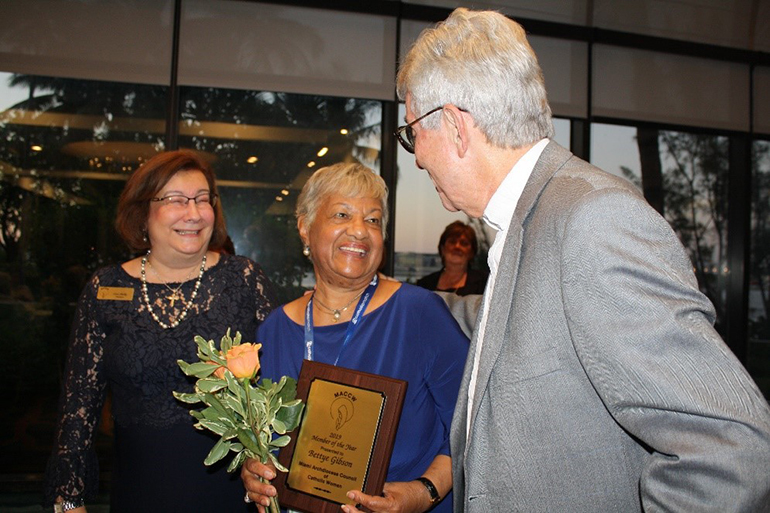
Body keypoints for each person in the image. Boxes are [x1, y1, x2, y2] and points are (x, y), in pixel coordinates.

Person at [396, 8, 770, 512]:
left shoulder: (592, 220)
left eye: (412, 132)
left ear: (458, 127)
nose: (416, 156)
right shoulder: (536, 218)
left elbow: (731, 449)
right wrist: (391, 298)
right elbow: (514, 323)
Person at [43, 150, 276, 512]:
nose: (194, 213)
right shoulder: (105, 288)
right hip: (139, 492)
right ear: (142, 213)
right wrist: (68, 498)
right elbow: (78, 404)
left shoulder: (244, 280)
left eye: (202, 199)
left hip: (231, 496)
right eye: (176, 200)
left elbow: (278, 382)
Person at [240, 162, 469, 513]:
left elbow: (473, 420)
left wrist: (422, 493)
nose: (359, 231)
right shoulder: (273, 332)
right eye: (342, 214)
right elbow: (267, 445)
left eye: (373, 220)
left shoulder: (419, 313)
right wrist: (255, 472)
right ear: (305, 227)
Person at [416, 220, 487, 296]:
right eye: (452, 242)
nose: (457, 246)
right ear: (442, 248)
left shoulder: (484, 283)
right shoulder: (424, 285)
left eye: (464, 243)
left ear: (472, 252)